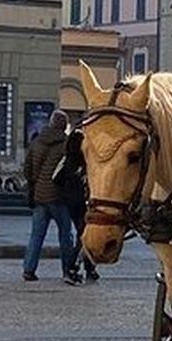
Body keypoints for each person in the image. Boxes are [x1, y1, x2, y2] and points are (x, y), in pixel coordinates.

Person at [22, 109, 77, 284]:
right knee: (65, 235)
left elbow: (28, 169)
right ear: (63, 126)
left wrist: (34, 186)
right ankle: (68, 270)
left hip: (39, 197)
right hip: (59, 197)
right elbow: (70, 171)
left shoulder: (37, 141)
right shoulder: (66, 144)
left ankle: (28, 269)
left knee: (36, 235)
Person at [61, 117, 99, 283]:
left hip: (71, 200)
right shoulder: (87, 162)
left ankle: (90, 268)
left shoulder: (69, 159)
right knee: (84, 235)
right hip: (83, 199)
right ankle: (71, 268)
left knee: (82, 233)